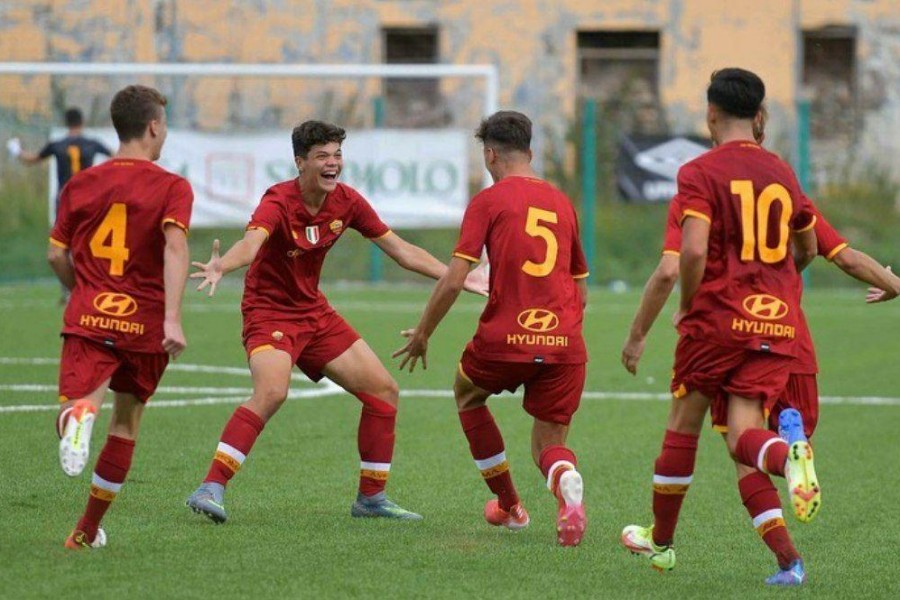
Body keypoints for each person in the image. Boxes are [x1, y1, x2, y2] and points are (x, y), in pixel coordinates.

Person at [185, 120, 488, 523]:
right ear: (300, 162)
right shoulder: (277, 201)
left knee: (383, 391)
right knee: (272, 392)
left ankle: (371, 499)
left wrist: (460, 276)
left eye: (338, 155)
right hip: (269, 313)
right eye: (323, 156)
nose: (333, 164)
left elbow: (402, 251)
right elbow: (251, 244)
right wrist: (223, 264)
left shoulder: (347, 202)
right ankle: (211, 487)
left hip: (314, 314)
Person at [618, 68, 822, 585]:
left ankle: (661, 542)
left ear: (710, 114)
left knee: (683, 424)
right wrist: (777, 285)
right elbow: (809, 247)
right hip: (775, 326)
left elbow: (690, 250)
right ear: (758, 117)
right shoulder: (781, 172)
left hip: (716, 323)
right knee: (743, 439)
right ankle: (788, 456)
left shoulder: (699, 172)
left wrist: (689, 305)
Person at [393, 111, 590, 546]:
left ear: (489, 154)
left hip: (505, 337)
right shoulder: (562, 202)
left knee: (467, 394)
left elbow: (454, 277)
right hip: (565, 343)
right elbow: (582, 287)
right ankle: (564, 477)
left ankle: (510, 507)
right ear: (531, 152)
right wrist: (563, 335)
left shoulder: (488, 201)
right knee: (549, 443)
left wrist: (424, 332)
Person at [47, 85, 193, 549]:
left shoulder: (82, 183)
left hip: (90, 316)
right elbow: (174, 247)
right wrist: (172, 317)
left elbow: (55, 255)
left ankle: (79, 416)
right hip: (146, 321)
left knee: (79, 407)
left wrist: (82, 292)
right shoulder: (172, 186)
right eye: (164, 125)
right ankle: (85, 532)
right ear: (153, 126)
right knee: (126, 424)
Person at [8, 108, 113, 304]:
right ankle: (94, 286)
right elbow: (115, 158)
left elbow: (33, 159)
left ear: (67, 122)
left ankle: (68, 290)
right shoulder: (91, 143)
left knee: (62, 246)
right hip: (89, 200)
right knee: (89, 243)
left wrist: (17, 151)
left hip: (66, 201)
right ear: (82, 122)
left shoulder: (58, 144)